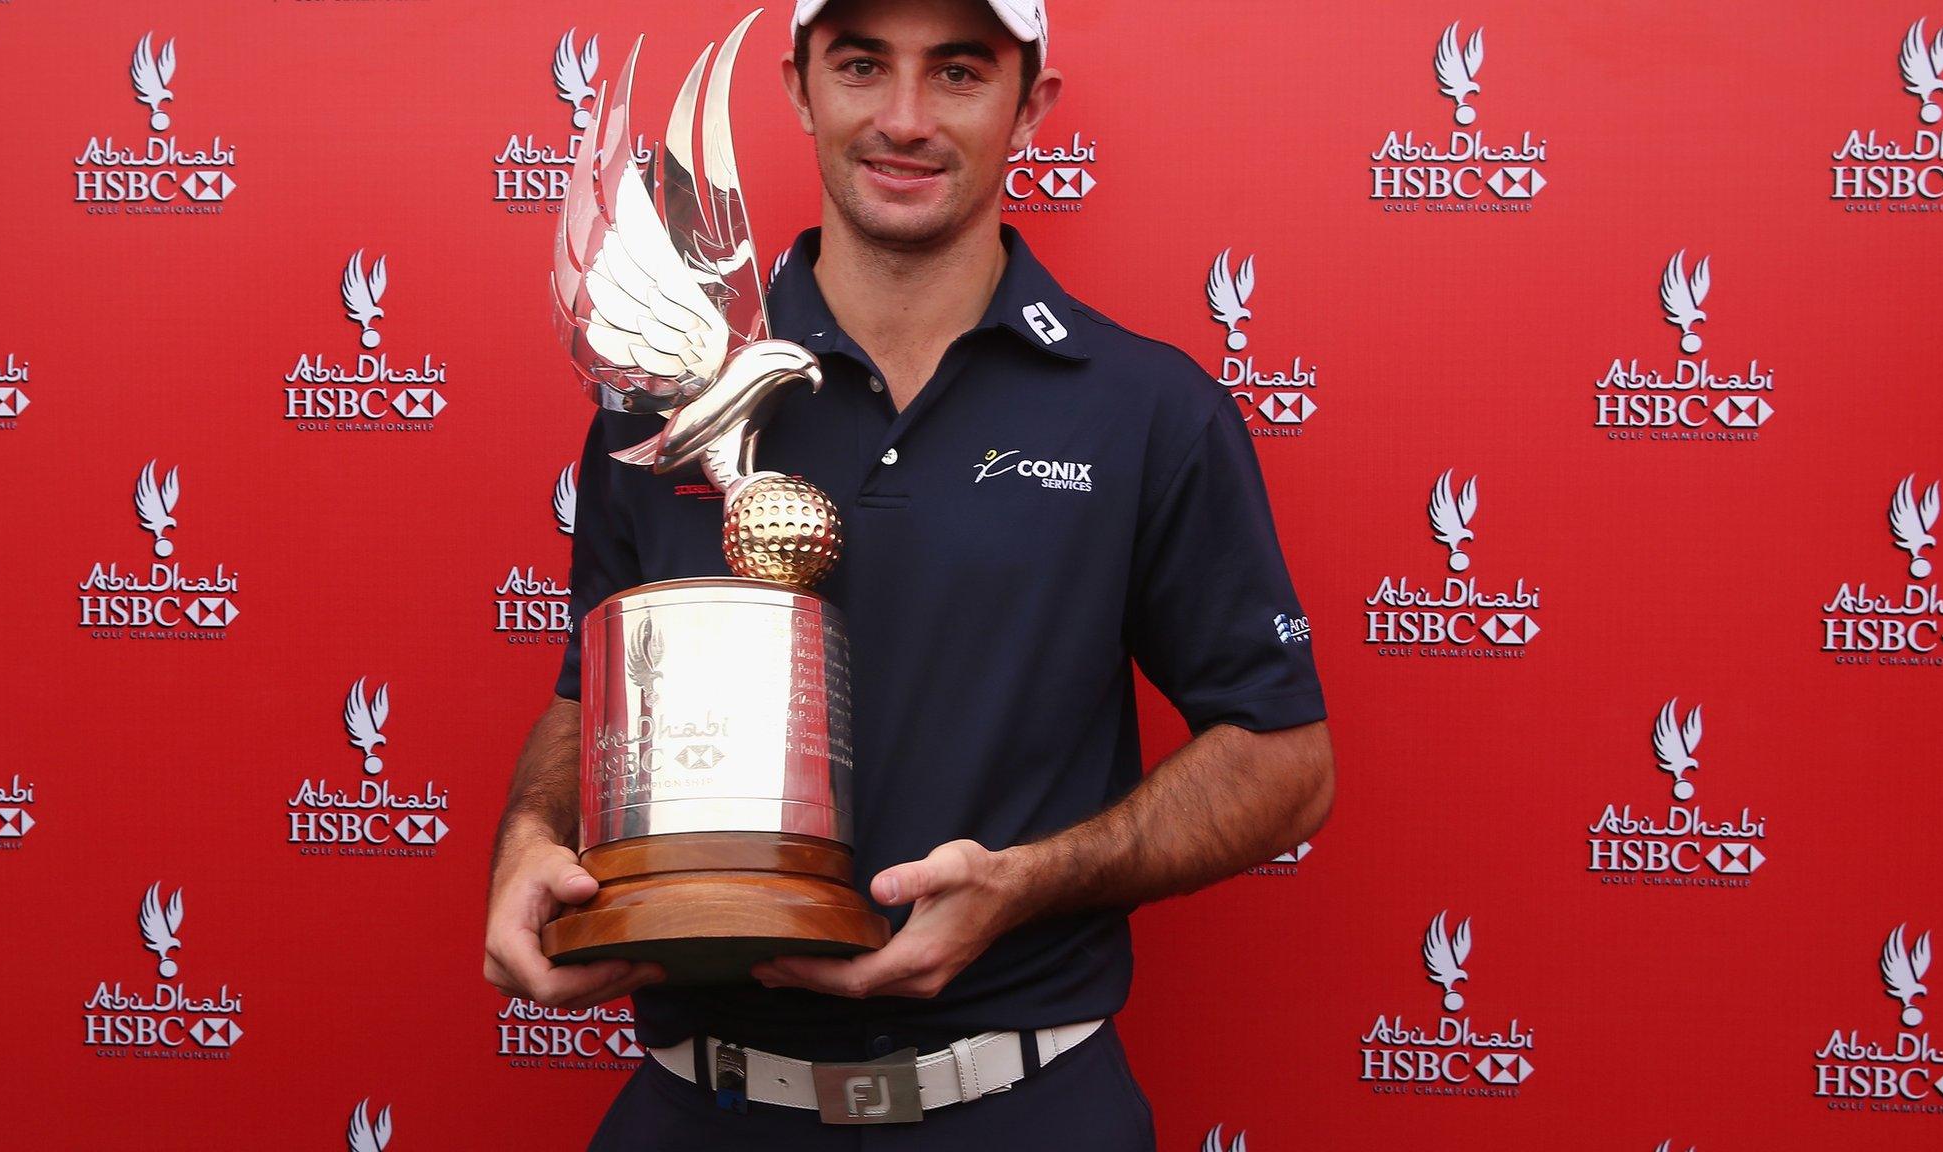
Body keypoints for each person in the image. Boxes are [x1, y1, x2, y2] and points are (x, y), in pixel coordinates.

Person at [484, 1, 1334, 1146]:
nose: (901, 118)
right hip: (704, 1106)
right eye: (859, 65)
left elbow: (1284, 762)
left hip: (1021, 1105)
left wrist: (1025, 882)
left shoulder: (1145, 409)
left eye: (957, 72)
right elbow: (591, 693)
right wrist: (532, 838)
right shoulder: (668, 399)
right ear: (796, 88)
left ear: (1030, 105)